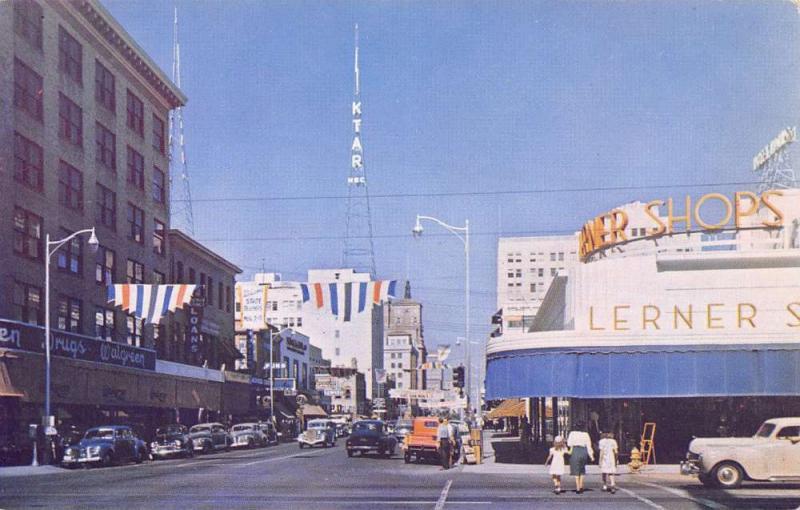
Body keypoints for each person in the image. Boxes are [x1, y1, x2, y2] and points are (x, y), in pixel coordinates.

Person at [566, 420, 595, 494]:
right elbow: (589, 446)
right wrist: (591, 456)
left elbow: (569, 443)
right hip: (583, 451)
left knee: (576, 470)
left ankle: (577, 487)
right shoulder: (586, 434)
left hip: (575, 451)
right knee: (582, 469)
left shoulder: (572, 433)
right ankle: (581, 486)